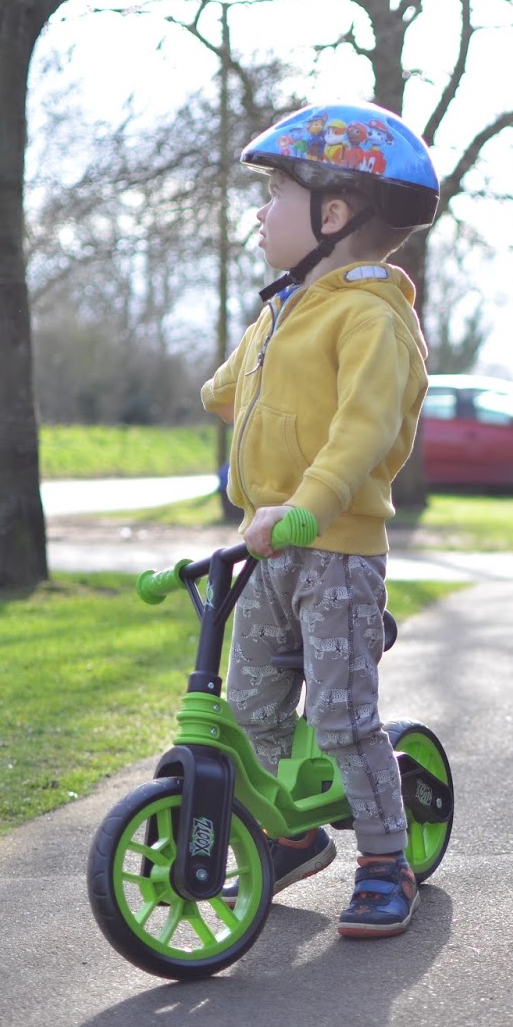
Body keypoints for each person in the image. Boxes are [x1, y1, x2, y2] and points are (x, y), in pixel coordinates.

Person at [201, 101, 439, 939]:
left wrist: (306, 507)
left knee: (341, 717)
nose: (259, 213)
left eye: (275, 195)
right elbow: (233, 388)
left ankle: (385, 860)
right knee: (252, 708)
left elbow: (363, 429)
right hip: (269, 545)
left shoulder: (371, 315)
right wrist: (240, 377)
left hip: (332, 547)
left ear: (333, 215)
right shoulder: (286, 305)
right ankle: (292, 837)